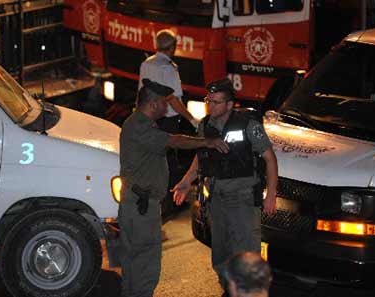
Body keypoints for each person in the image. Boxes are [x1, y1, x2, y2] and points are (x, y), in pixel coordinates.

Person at [118, 78, 228, 297]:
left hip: (136, 204)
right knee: (145, 263)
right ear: (153, 104)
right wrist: (207, 142)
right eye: (164, 103)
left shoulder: (138, 123)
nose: (167, 107)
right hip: (141, 207)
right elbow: (174, 141)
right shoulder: (140, 127)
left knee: (133, 261)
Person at [172, 78, 278, 290]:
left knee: (246, 253)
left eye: (216, 102)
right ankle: (227, 288)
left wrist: (271, 195)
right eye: (208, 100)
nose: (210, 106)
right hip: (216, 197)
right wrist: (185, 181)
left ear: (230, 104)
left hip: (243, 197)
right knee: (221, 251)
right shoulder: (205, 125)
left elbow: (270, 158)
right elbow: (201, 156)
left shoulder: (249, 125)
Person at [139, 29, 200, 214]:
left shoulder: (146, 64)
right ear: (173, 48)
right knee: (170, 162)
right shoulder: (169, 69)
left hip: (151, 119)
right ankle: (172, 202)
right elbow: (174, 100)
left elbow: (141, 93)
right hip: (168, 122)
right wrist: (192, 120)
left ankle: (152, 200)